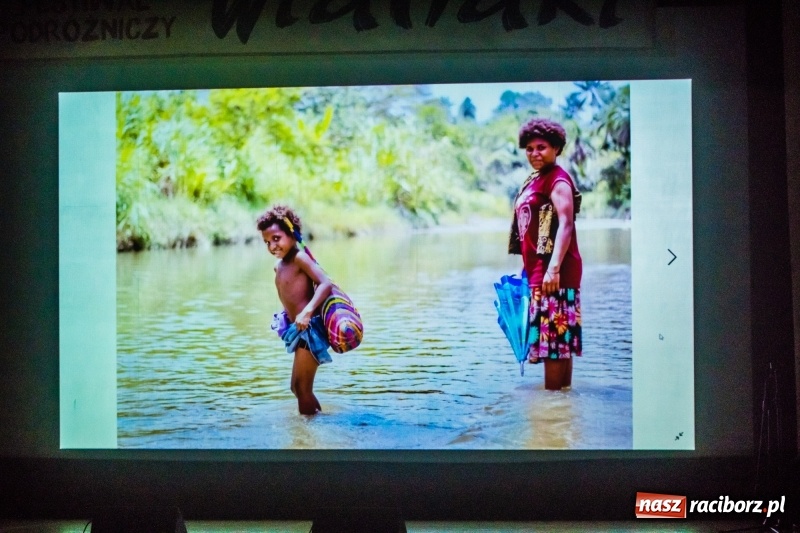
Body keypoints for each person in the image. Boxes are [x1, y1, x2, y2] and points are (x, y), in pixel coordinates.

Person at [508, 118, 582, 390]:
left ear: (557, 149)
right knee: (558, 340)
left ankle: (552, 409)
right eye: (529, 148)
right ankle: (563, 397)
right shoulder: (536, 180)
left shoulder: (557, 180)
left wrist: (553, 269)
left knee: (554, 343)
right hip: (541, 270)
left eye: (541, 147)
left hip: (556, 270)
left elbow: (566, 224)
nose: (534, 153)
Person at [257, 205, 333, 415]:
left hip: (311, 331)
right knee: (296, 388)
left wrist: (307, 311)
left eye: (276, 238)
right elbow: (290, 295)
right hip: (297, 330)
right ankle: (317, 422)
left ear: (292, 234)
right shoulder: (279, 265)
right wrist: (284, 315)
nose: (272, 245)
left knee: (301, 388)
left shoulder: (300, 258)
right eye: (267, 242)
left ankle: (306, 437)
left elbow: (325, 284)